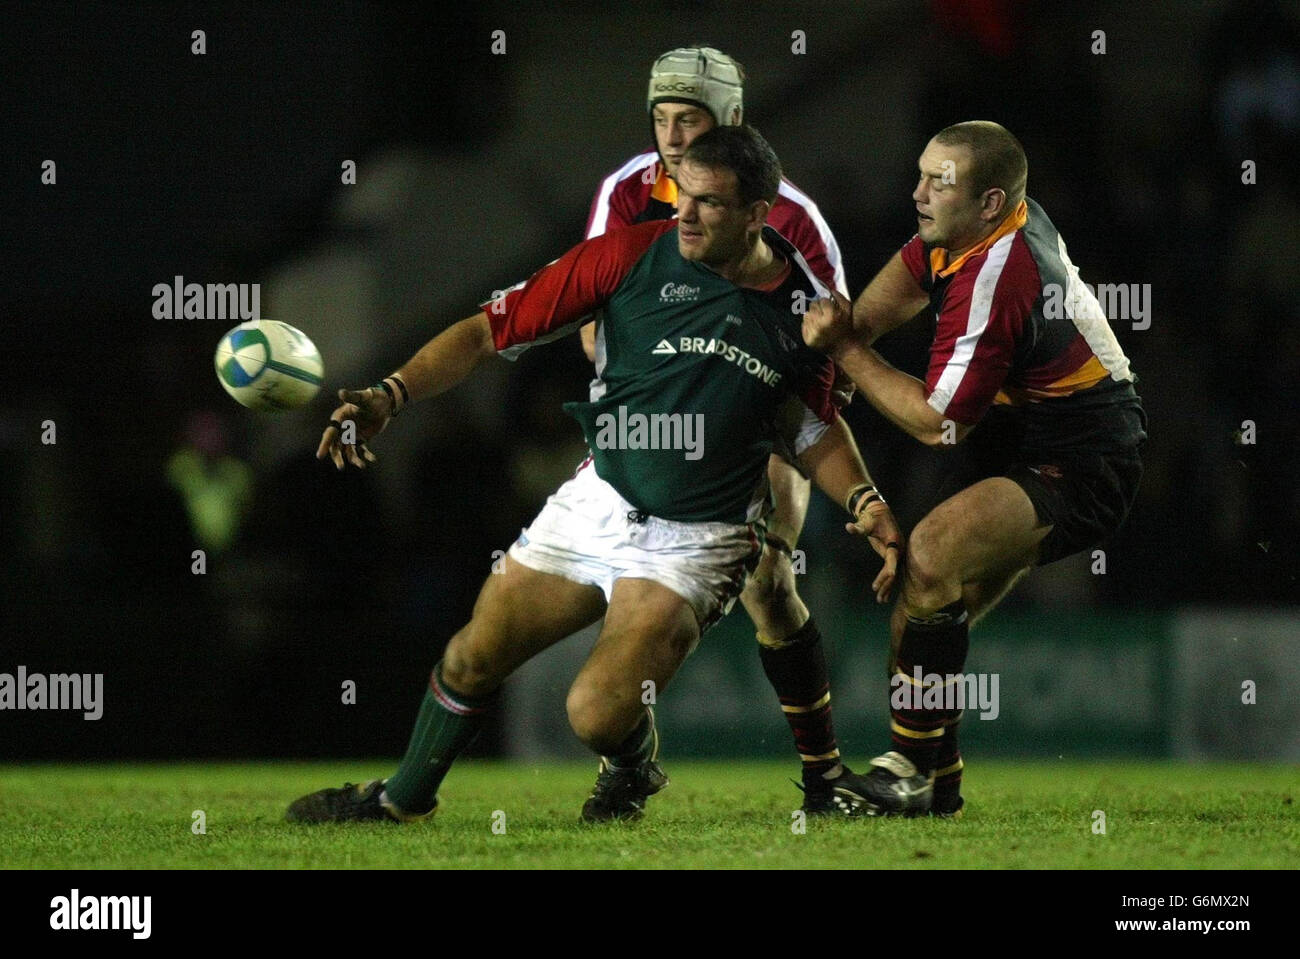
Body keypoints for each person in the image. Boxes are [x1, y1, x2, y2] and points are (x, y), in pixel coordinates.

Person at [287, 125, 902, 825]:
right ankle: (400, 801)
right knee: (469, 656)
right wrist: (389, 395)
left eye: (709, 203)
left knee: (594, 713)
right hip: (599, 498)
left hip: (695, 540)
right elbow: (487, 330)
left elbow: (808, 427)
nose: (686, 216)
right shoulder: (626, 255)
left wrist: (866, 502)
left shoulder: (806, 311)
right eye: (682, 197)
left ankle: (634, 760)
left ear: (759, 213)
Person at [803, 121, 1146, 818]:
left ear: (989, 203)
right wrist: (849, 344)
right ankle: (937, 782)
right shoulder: (980, 226)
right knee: (920, 602)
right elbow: (909, 270)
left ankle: (906, 771)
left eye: (940, 181)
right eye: (922, 172)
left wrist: (843, 349)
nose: (917, 191)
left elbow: (938, 423)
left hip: (1088, 453)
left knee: (929, 555)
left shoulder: (999, 274)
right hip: (1031, 436)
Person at [581, 45, 857, 813]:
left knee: (770, 578)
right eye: (661, 119)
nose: (672, 138)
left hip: (760, 413)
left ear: (731, 121)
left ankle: (823, 774)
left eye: (690, 119)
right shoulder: (626, 191)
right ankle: (625, 757)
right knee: (619, 577)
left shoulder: (796, 218)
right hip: (654, 412)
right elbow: (590, 320)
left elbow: (823, 356)